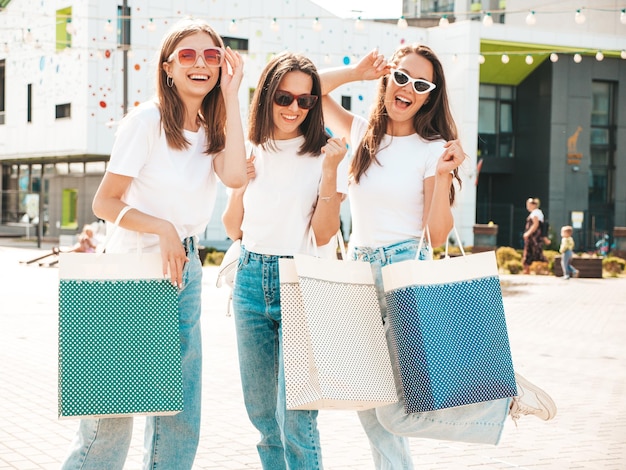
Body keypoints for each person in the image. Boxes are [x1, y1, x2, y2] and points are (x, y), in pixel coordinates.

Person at [320, 45, 557, 469]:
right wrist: (355, 72)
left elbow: (438, 233)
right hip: (356, 272)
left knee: (397, 407)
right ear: (388, 79)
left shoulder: (433, 148)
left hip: (402, 273)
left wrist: (445, 173)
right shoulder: (359, 132)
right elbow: (308, 92)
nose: (408, 88)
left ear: (430, 95)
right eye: (401, 77)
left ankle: (499, 402)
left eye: (421, 84)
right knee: (365, 399)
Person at [60, 18, 247, 469]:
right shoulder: (144, 121)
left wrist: (231, 97)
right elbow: (104, 202)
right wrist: (162, 227)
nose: (200, 63)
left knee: (180, 410)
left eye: (211, 55)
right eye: (187, 55)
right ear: (167, 67)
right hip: (128, 272)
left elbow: (237, 177)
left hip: (184, 270)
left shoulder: (212, 126)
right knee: (109, 416)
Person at [222, 52, 348, 469]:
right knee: (262, 417)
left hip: (300, 280)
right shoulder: (250, 148)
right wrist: (242, 185)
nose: (294, 108)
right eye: (284, 97)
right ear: (267, 97)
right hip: (250, 277)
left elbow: (326, 233)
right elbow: (232, 228)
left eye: (305, 100)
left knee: (296, 418)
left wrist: (330, 172)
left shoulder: (323, 153)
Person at [522, 197, 547, 274]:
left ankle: (543, 269)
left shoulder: (535, 213)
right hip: (534, 237)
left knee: (534, 252)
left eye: (528, 205)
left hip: (534, 237)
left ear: (533, 205)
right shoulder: (537, 212)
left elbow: (535, 224)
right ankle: (527, 270)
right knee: (533, 251)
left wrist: (528, 233)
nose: (527, 207)